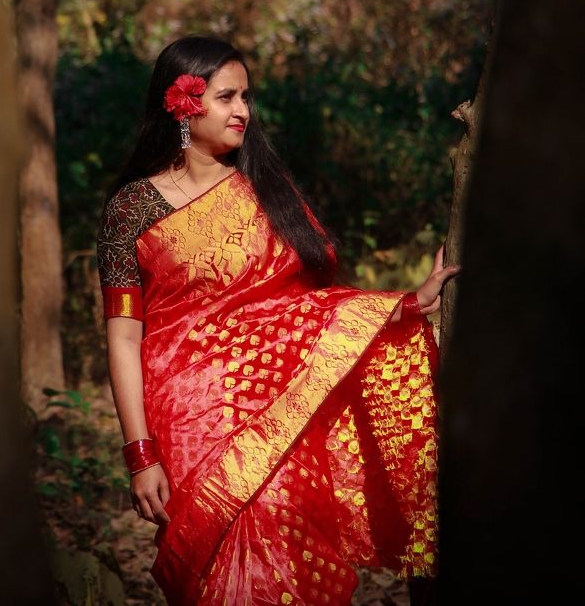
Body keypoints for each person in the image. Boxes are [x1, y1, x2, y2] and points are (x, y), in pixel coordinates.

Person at [97, 35, 458, 605]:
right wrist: (139, 454)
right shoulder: (132, 210)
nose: (243, 110)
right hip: (188, 418)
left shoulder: (265, 189)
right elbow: (122, 335)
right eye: (226, 96)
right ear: (182, 104)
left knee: (292, 555)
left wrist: (404, 304)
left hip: (278, 407)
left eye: (246, 96)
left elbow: (301, 304)